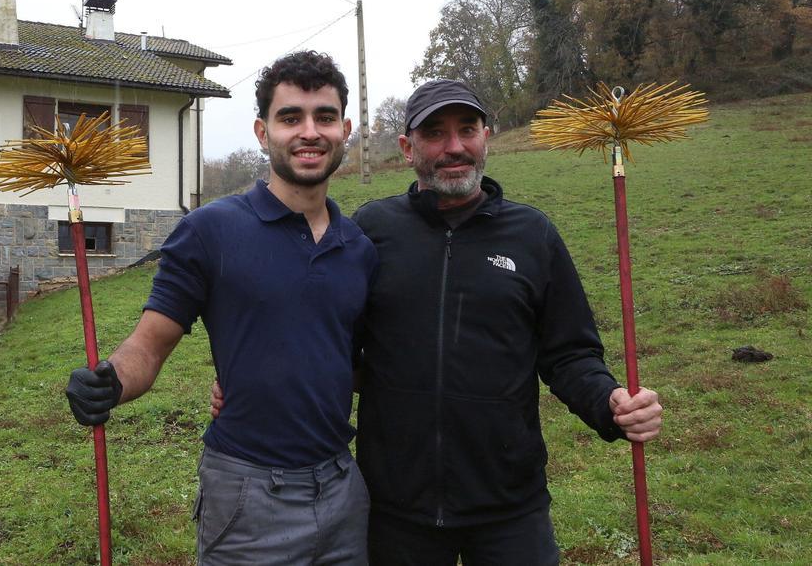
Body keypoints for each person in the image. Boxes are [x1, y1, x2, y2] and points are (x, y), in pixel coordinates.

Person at [65, 50, 376, 564]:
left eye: (324, 117)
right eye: (290, 117)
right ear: (262, 132)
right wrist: (110, 381)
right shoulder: (211, 231)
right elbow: (149, 346)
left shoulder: (359, 248)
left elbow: (351, 363)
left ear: (344, 130)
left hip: (342, 489)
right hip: (249, 496)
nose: (309, 132)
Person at [352, 79, 663, 564]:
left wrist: (609, 401)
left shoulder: (532, 235)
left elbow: (569, 353)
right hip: (396, 509)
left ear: (486, 137)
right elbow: (332, 344)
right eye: (434, 133)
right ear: (407, 147)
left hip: (509, 506)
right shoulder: (370, 232)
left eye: (467, 129)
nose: (454, 147)